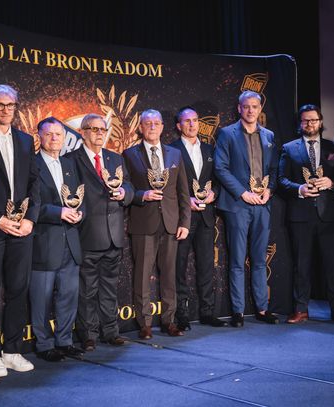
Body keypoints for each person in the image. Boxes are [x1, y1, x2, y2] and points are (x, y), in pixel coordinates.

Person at [0, 85, 40, 377]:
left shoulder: (25, 140)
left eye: (10, 105)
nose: (5, 110)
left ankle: (12, 350)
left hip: (22, 228)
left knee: (18, 289)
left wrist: (31, 220)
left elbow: (35, 183)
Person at [66, 114, 134, 352]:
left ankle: (111, 332)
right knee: (87, 290)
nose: (99, 134)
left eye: (102, 130)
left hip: (114, 234)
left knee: (109, 288)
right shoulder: (71, 160)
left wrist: (125, 193)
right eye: (93, 129)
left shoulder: (115, 158)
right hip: (88, 234)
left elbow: (129, 186)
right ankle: (88, 335)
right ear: (82, 132)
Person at [278, 104, 334, 324]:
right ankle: (301, 309)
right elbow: (281, 180)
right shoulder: (289, 148)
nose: (310, 124)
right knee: (302, 265)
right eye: (305, 120)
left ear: (320, 122)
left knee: (333, 265)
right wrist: (299, 189)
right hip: (301, 216)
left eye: (313, 120)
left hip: (328, 215)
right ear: (300, 123)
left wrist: (332, 182)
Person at [123, 109, 191, 339]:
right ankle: (144, 323)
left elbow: (183, 192)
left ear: (162, 127)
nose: (152, 127)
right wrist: (142, 195)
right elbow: (126, 188)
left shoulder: (175, 154)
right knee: (142, 276)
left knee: (170, 275)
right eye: (147, 123)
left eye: (156, 123)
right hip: (143, 222)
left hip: (171, 224)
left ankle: (169, 321)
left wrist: (185, 222)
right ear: (140, 127)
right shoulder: (129, 154)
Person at [214, 90, 279, 328]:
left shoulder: (269, 135)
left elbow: (274, 168)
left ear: (260, 109)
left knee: (260, 259)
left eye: (255, 106)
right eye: (246, 106)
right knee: (237, 260)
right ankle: (238, 311)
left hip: (262, 204)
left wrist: (269, 189)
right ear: (239, 109)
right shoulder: (226, 134)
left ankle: (262, 308)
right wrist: (243, 193)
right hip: (238, 204)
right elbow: (220, 168)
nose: (251, 110)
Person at [31, 117, 84, 362]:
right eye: (49, 134)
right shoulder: (31, 165)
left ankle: (65, 341)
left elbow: (80, 197)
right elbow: (29, 205)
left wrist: (79, 213)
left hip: (71, 242)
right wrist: (58, 212)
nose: (54, 138)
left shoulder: (70, 164)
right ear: (39, 136)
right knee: (40, 298)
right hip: (44, 242)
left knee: (68, 296)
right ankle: (43, 344)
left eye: (58, 134)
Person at [169, 107, 227, 330]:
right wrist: (186, 201)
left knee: (206, 266)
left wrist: (215, 194)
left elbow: (219, 179)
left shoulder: (210, 149)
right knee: (179, 266)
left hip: (206, 217)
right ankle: (181, 315)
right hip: (182, 218)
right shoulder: (171, 150)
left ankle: (207, 312)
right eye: (187, 121)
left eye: (195, 120)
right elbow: (168, 185)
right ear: (179, 126)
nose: (192, 124)